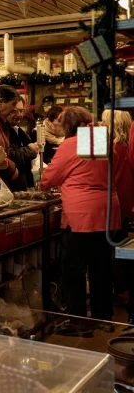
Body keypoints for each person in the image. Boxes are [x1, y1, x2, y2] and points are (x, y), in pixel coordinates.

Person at [40, 107, 121, 323]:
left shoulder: (70, 144)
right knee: (101, 267)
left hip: (81, 215)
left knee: (74, 267)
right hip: (107, 212)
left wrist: (43, 186)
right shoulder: (99, 140)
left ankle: (78, 322)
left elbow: (50, 178)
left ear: (68, 125)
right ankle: (103, 319)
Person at [102, 110, 134, 324]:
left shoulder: (111, 147)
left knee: (111, 249)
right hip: (126, 198)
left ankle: (120, 290)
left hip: (113, 201)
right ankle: (125, 290)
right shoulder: (125, 145)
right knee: (121, 244)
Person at [7, 97, 38, 191]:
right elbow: (9, 154)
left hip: (21, 185)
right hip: (10, 186)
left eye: (21, 111)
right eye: (14, 111)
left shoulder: (17, 129)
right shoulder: (3, 131)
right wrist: (30, 150)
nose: (19, 115)